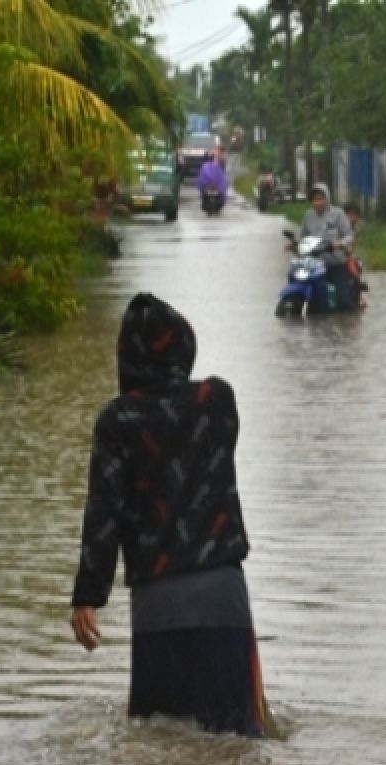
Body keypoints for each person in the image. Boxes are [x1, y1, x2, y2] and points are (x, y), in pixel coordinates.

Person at [70, 293, 267, 737]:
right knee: (234, 742)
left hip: (159, 602)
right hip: (223, 594)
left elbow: (105, 513)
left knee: (163, 741)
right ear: (184, 347)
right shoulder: (218, 400)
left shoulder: (117, 421)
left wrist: (88, 595)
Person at [299, 183, 356, 309]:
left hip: (336, 263)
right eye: (314, 199)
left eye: (320, 198)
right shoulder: (308, 216)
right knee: (314, 303)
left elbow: (349, 236)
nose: (317, 202)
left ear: (327, 198)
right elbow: (302, 236)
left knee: (343, 302)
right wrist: (294, 244)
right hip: (315, 265)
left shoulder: (338, 214)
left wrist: (340, 243)